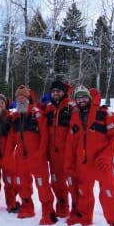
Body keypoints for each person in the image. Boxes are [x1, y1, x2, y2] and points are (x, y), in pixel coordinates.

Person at [64, 85, 114, 226]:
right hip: (83, 164)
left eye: (84, 97)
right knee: (84, 192)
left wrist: (107, 155)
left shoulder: (104, 113)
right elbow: (71, 144)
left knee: (109, 193)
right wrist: (70, 165)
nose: (81, 100)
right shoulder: (75, 117)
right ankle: (84, 217)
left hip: (101, 163)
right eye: (78, 98)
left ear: (89, 98)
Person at [4, 85, 57, 225]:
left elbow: (45, 135)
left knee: (42, 184)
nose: (20, 99)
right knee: (23, 184)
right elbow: (11, 138)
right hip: (21, 156)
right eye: (18, 97)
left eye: (23, 97)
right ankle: (27, 207)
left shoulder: (37, 113)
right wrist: (8, 154)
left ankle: (48, 211)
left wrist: (40, 153)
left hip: (36, 156)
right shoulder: (15, 116)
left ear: (28, 98)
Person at [45, 80, 78, 218]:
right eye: (53, 91)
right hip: (53, 153)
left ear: (63, 92)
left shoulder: (72, 106)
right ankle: (62, 207)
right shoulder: (48, 108)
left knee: (73, 182)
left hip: (69, 152)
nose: (55, 93)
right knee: (57, 182)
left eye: (58, 91)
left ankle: (78, 210)